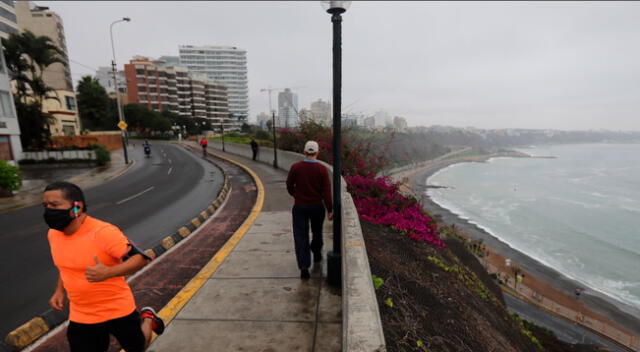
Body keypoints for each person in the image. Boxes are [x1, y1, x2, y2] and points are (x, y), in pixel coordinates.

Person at [43, 182, 164, 352]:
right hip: (82, 314)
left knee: (138, 346)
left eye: (54, 205)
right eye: (46, 205)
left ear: (77, 207)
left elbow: (142, 258)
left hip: (117, 309)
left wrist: (108, 272)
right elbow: (65, 266)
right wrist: (59, 291)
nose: (48, 210)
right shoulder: (53, 234)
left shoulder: (103, 232)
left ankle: (149, 318)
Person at [285, 141, 332, 279]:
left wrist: (295, 195)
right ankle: (316, 254)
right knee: (317, 232)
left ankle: (304, 267)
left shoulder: (296, 167)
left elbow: (289, 185)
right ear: (317, 153)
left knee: (301, 236)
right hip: (317, 207)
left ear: (304, 152)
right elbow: (327, 192)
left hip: (300, 207)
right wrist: (330, 209)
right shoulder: (322, 169)